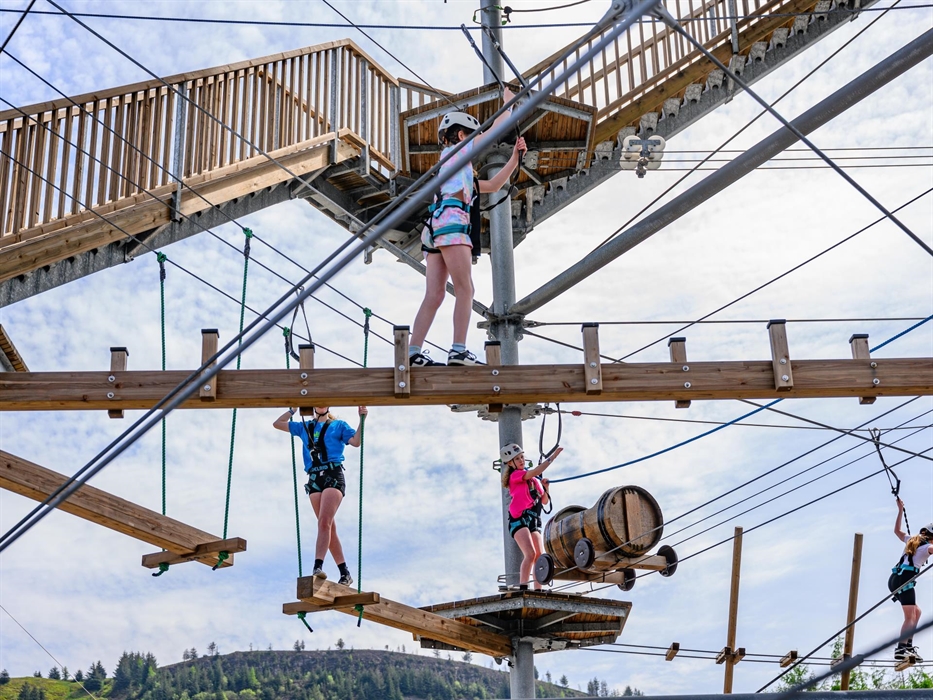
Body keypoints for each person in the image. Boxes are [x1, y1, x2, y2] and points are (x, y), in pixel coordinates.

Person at [408, 86, 526, 367]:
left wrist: (515, 159)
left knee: (435, 294)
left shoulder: (456, 173)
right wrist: (508, 103)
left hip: (435, 229)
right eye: (471, 137)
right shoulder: (458, 151)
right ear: (461, 136)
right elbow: (496, 129)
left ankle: (412, 352)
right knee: (466, 289)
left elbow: (495, 185)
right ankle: (458, 350)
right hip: (451, 223)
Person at [273, 405, 367, 584]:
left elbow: (355, 441)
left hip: (333, 475)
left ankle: (317, 566)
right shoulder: (304, 427)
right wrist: (293, 409)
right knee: (327, 527)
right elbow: (278, 423)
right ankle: (344, 572)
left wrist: (362, 420)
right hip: (315, 477)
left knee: (324, 522)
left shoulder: (338, 425)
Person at [500, 443, 563, 590]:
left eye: (522, 457)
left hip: (533, 519)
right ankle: (523, 588)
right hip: (519, 519)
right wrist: (552, 458)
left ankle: (538, 589)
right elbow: (535, 472)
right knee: (530, 553)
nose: (521, 460)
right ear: (511, 463)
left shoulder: (534, 481)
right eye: (517, 459)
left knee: (539, 556)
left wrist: (546, 487)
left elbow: (544, 501)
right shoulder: (516, 476)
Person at [890, 497, 932, 661]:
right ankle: (901, 649)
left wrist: (900, 511)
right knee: (910, 617)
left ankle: (908, 647)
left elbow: (897, 531)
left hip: (895, 578)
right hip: (904, 580)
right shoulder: (928, 547)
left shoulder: (911, 540)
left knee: (916, 612)